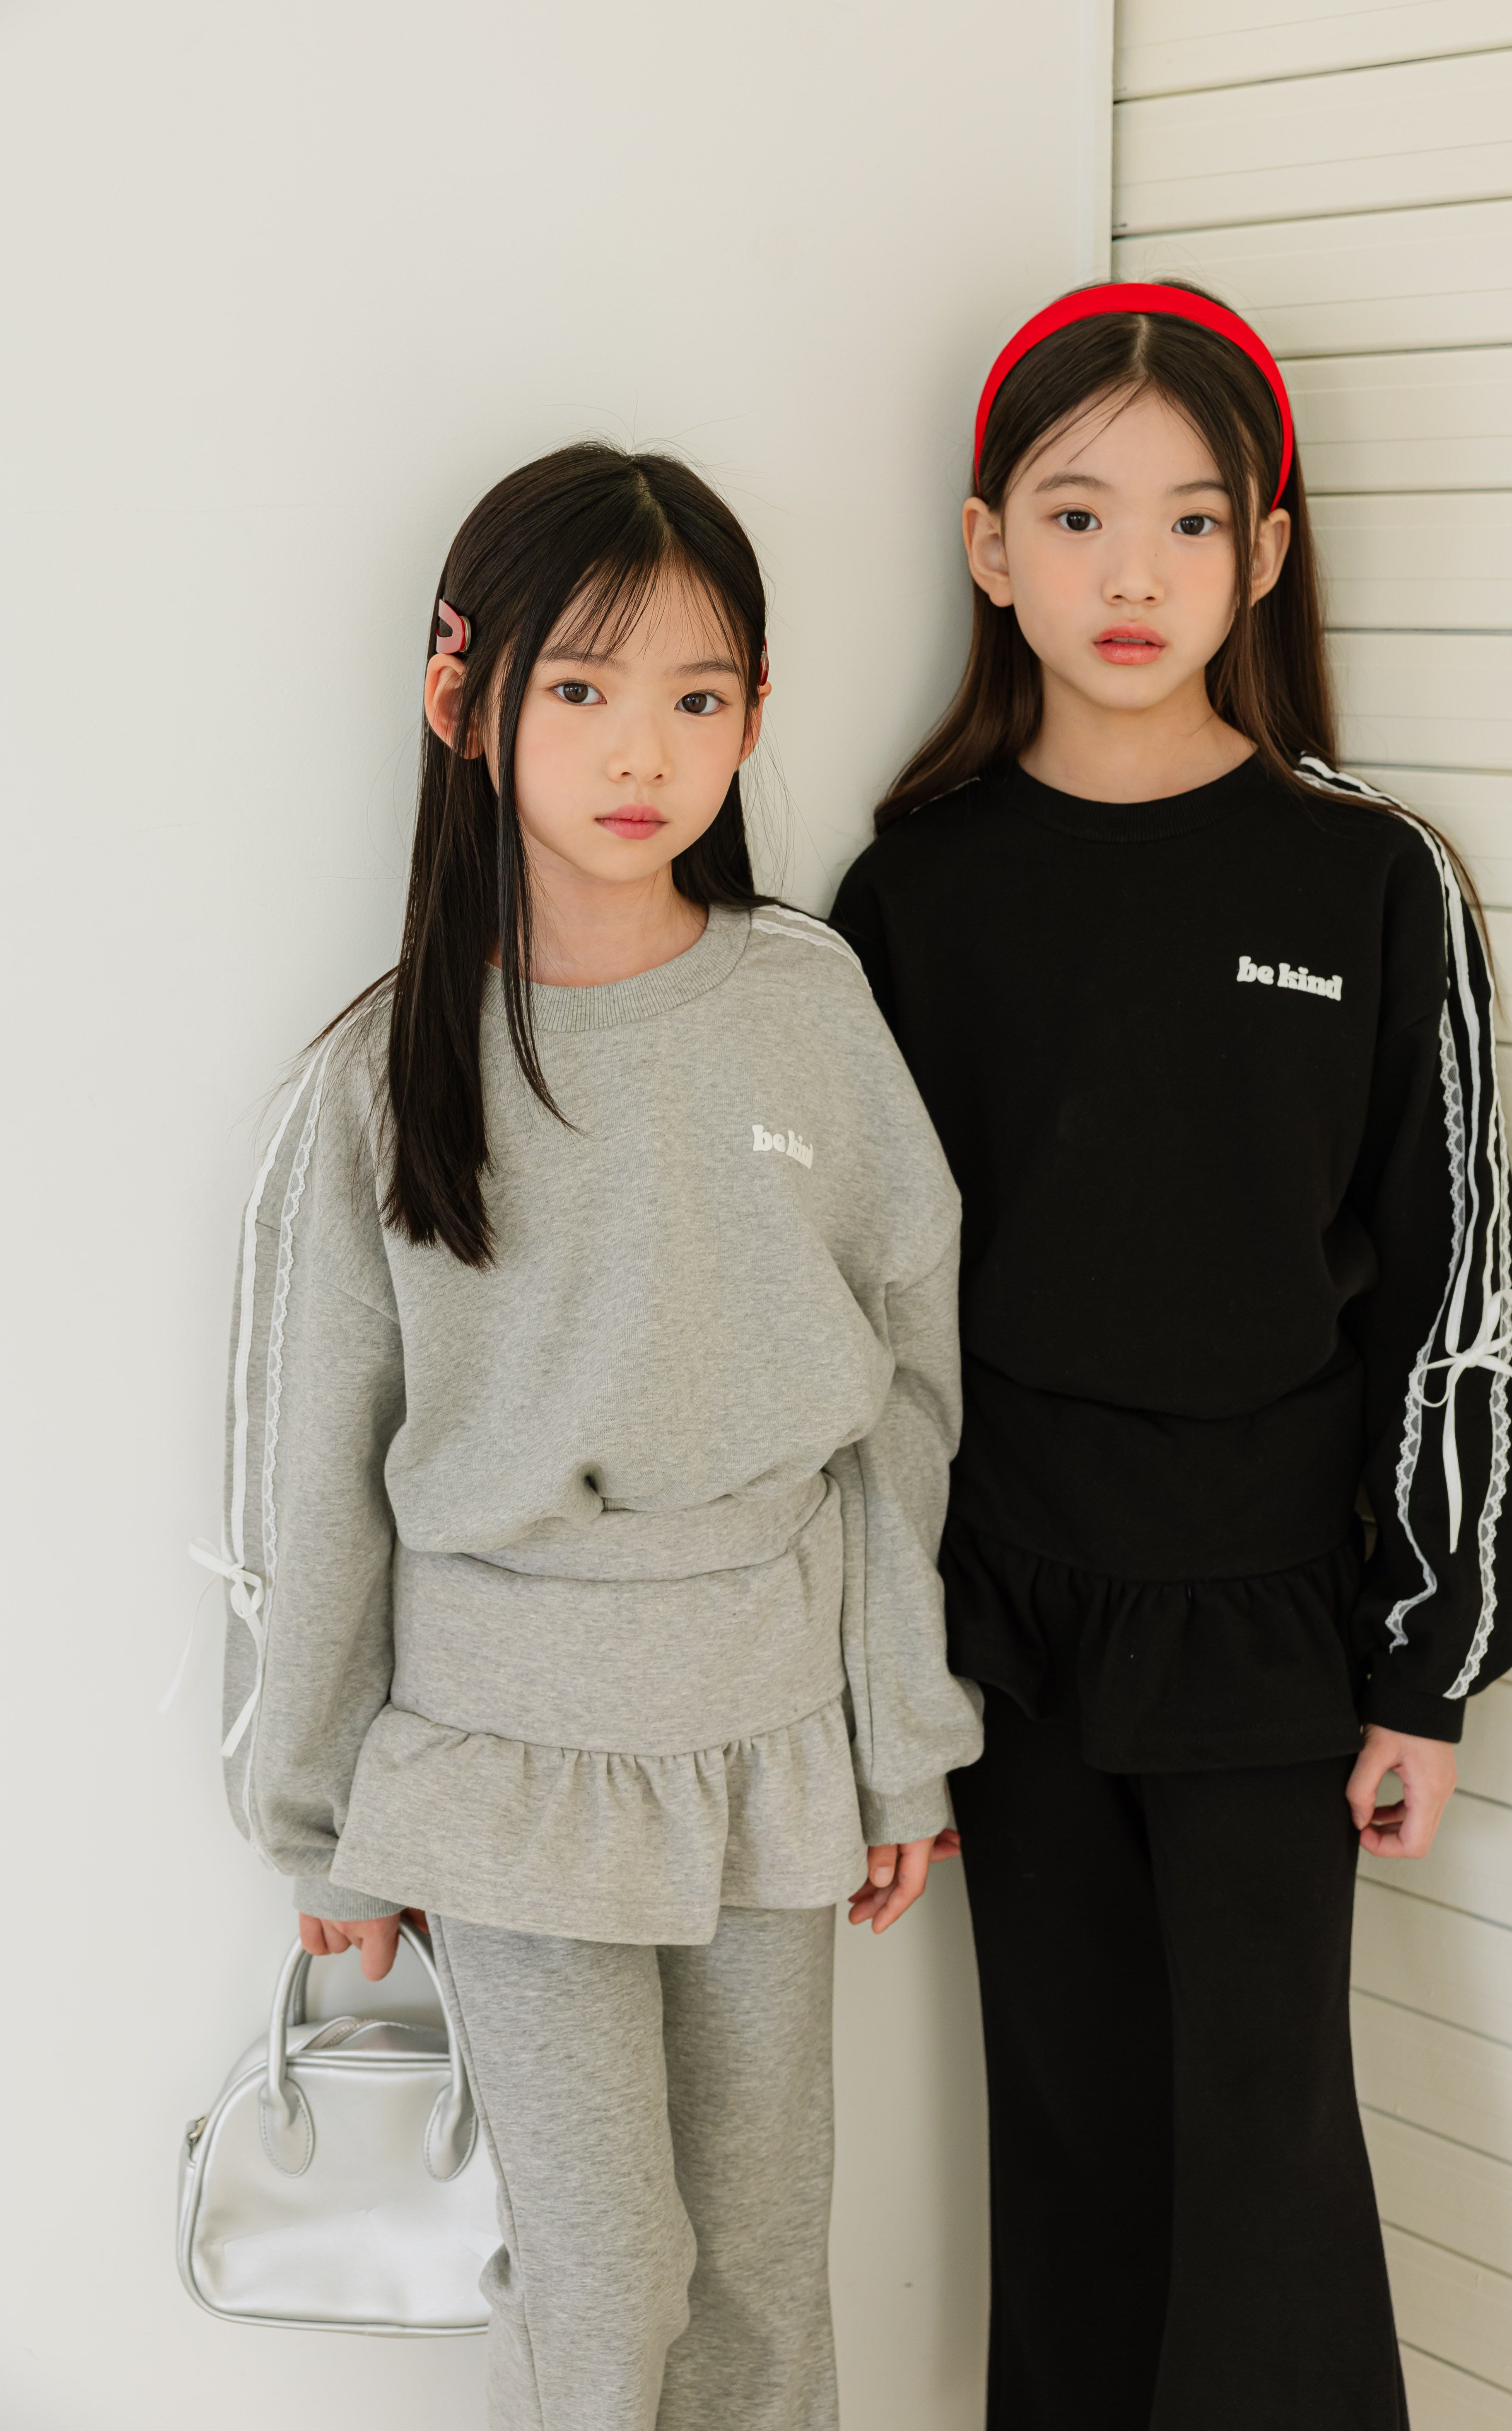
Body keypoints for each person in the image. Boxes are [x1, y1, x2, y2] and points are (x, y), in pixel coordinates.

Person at [201, 442, 982, 2431]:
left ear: (755, 713)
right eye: (582, 686)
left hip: (763, 1727)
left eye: (698, 695)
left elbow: (905, 1400)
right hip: (507, 1755)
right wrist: (317, 1813)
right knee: (608, 2268)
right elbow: (317, 1471)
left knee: (765, 2265)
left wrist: (903, 1738)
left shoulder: (809, 1006)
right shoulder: (386, 1070)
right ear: (461, 695)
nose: (644, 749)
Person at [829, 282, 1512, 2431]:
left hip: (1274, 1628)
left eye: (1190, 520)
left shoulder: (1368, 878)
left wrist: (1431, 1658)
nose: (1129, 573)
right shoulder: (913, 898)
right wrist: (882, 1682)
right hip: (1012, 1623)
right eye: (1074, 515)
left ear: (1265, 551)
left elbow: (1455, 1287)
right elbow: (859, 1327)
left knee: (1267, 2182)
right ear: (989, 549)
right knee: (1069, 2175)